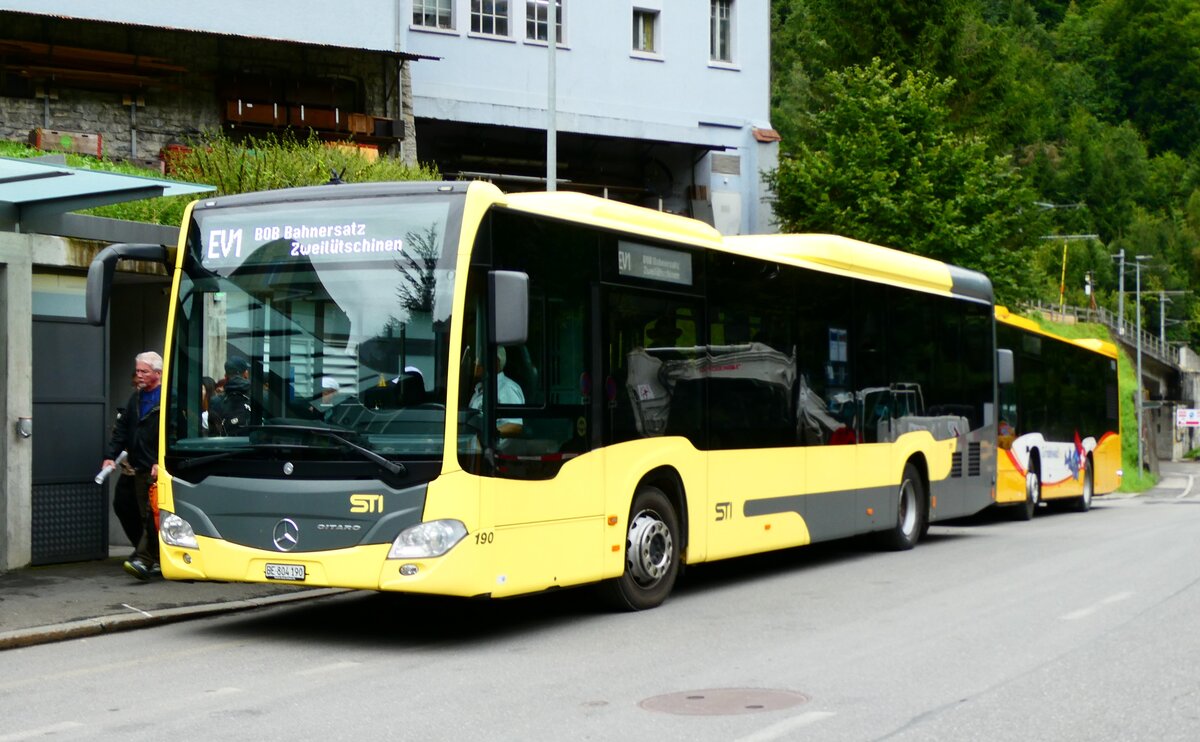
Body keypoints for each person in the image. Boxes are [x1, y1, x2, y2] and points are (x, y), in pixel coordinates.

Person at [101, 351, 163, 581]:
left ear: (157, 373)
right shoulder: (135, 399)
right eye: (137, 371)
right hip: (138, 467)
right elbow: (123, 429)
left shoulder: (168, 398)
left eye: (144, 371)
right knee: (140, 513)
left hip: (155, 467)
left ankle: (144, 559)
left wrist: (161, 461)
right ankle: (149, 557)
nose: (138, 375)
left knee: (151, 515)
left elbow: (173, 431)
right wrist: (110, 455)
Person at [110, 371, 142, 551]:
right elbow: (118, 435)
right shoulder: (129, 408)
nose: (138, 387)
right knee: (123, 506)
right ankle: (140, 548)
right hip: (129, 470)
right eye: (135, 384)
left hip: (148, 469)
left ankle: (147, 552)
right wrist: (111, 456)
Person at [469, 346, 524, 436]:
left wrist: (486, 435)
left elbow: (515, 425)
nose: (475, 362)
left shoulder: (507, 388)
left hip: (496, 447)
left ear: (494, 362)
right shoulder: (480, 387)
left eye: (479, 358)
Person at [209, 356, 253, 435]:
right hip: (252, 445)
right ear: (246, 374)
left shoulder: (215, 401)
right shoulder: (259, 398)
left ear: (225, 377)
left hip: (226, 446)